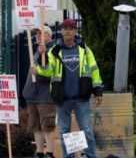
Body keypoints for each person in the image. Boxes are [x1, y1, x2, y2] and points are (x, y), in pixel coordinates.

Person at [33, 19, 103, 158]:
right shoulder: (54, 50)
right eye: (65, 29)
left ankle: (91, 156)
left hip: (81, 98)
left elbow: (94, 70)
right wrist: (40, 65)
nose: (68, 31)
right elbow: (48, 71)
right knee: (64, 132)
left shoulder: (84, 49)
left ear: (75, 31)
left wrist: (98, 91)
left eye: (71, 28)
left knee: (87, 131)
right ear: (61, 31)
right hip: (62, 99)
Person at [23, 26, 56, 158]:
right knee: (35, 126)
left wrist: (40, 71)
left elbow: (51, 72)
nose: (37, 36)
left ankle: (50, 153)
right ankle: (39, 152)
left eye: (41, 34)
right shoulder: (36, 51)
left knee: (47, 126)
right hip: (33, 95)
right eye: (37, 34)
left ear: (49, 36)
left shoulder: (52, 51)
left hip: (45, 96)